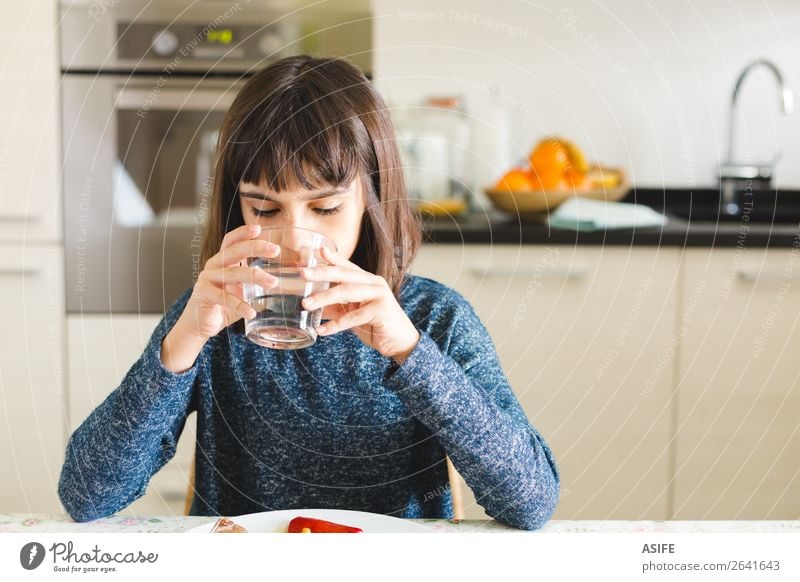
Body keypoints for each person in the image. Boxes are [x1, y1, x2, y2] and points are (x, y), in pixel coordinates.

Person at [57, 55, 560, 530]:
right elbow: (86, 495)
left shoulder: (433, 317)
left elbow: (532, 501)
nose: (294, 242)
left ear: (373, 198)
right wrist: (181, 344)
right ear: (238, 208)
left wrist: (410, 354)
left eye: (325, 209)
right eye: (265, 209)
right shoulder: (212, 321)